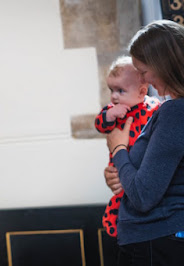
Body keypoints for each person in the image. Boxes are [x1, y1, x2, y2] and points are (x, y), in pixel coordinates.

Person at [105, 19, 184, 265]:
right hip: (155, 239)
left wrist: (118, 148)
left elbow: (142, 195)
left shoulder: (175, 112)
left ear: (163, 65)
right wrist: (120, 174)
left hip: (158, 238)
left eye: (143, 70)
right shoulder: (169, 110)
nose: (144, 80)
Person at [95, 56, 160, 237]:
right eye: (111, 90)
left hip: (141, 171)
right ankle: (116, 224)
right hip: (120, 169)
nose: (114, 96)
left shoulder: (154, 108)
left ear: (141, 92)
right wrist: (109, 115)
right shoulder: (113, 111)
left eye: (120, 91)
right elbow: (100, 124)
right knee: (120, 197)